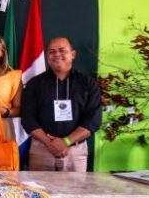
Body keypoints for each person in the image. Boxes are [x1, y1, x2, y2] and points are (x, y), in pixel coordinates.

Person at [21, 37, 102, 171]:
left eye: (62, 50)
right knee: (39, 185)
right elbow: (28, 118)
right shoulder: (34, 84)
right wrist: (49, 143)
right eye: (52, 51)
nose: (57, 54)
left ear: (73, 54)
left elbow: (93, 119)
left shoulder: (88, 83)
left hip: (75, 151)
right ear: (47, 57)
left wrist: (66, 141)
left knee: (76, 186)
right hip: (41, 150)